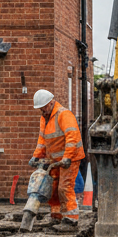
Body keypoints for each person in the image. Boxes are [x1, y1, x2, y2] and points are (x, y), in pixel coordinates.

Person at [29, 89, 85, 229]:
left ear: (51, 102)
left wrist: (67, 158)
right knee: (52, 188)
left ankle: (71, 219)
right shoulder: (45, 118)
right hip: (54, 160)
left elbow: (73, 137)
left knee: (64, 188)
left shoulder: (64, 114)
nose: (42, 110)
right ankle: (56, 216)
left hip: (69, 159)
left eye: (43, 107)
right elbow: (42, 140)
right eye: (40, 108)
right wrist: (36, 156)